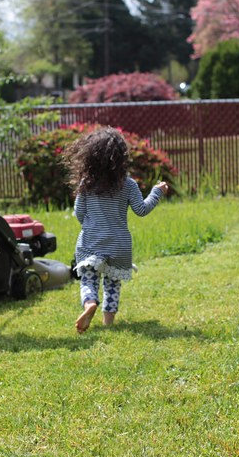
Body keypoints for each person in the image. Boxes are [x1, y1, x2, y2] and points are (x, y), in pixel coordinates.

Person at [66, 127, 170, 333]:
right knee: (112, 284)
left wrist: (91, 226)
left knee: (88, 280)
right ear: (121, 158)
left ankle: (90, 304)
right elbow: (141, 209)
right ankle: (108, 323)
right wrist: (156, 192)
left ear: (89, 157)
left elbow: (79, 213)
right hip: (119, 245)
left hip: (90, 242)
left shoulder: (86, 183)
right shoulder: (128, 185)